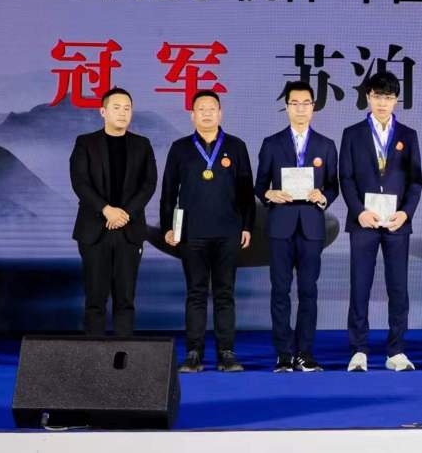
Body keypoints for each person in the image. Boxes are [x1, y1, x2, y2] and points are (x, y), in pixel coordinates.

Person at [160, 90, 254, 372]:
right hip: (192, 233)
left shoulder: (236, 146)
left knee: (225, 294)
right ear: (192, 115)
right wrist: (168, 227)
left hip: (228, 231)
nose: (207, 113)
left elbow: (246, 191)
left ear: (220, 113)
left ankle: (227, 352)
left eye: (212, 108)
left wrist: (247, 226)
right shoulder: (180, 148)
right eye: (201, 109)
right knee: (196, 293)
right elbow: (168, 192)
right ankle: (193, 353)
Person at [339, 72, 422, 372]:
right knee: (360, 286)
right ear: (368, 97)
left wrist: (406, 213)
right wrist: (359, 211)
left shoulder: (408, 135)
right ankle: (358, 350)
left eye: (388, 97)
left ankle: (396, 351)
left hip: (397, 223)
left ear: (396, 100)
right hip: (364, 221)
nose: (383, 103)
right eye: (377, 96)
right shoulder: (352, 134)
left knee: (398, 288)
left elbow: (416, 181)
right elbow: (346, 178)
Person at [255, 81, 339, 372]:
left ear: (313, 107)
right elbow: (259, 185)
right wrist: (269, 194)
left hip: (312, 227)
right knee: (280, 291)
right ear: (287, 107)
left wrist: (323, 197)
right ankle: (283, 353)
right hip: (280, 225)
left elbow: (334, 185)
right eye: (295, 103)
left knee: (308, 292)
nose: (300, 108)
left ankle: (305, 353)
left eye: (306, 103)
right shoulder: (272, 143)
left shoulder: (326, 145)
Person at [70, 87, 157, 337]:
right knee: (95, 297)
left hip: (129, 230)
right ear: (103, 111)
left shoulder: (142, 145)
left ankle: (123, 353)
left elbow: (149, 184)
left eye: (127, 108)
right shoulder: (85, 143)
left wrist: (124, 213)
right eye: (116, 107)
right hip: (94, 229)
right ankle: (94, 353)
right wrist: (106, 210)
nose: (122, 113)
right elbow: (80, 182)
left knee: (125, 298)